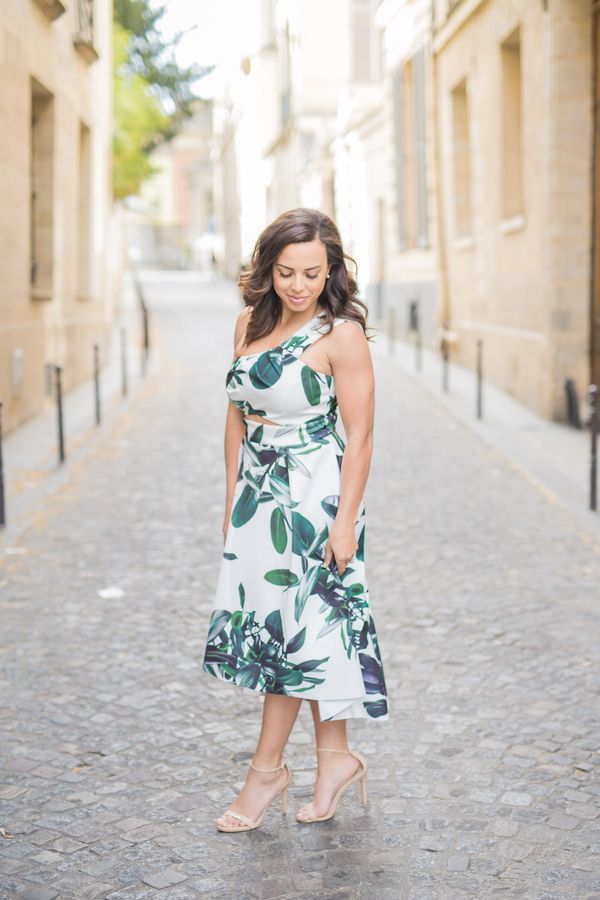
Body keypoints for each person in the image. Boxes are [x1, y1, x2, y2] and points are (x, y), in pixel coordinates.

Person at [202, 208, 388, 833]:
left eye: (312, 272)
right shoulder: (248, 324)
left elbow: (360, 438)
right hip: (258, 501)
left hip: (315, 501)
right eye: (286, 272)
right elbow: (235, 418)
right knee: (306, 635)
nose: (299, 285)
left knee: (285, 637)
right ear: (268, 268)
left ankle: (265, 773)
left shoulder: (341, 335)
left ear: (331, 269)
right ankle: (333, 759)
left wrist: (344, 523)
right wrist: (232, 504)